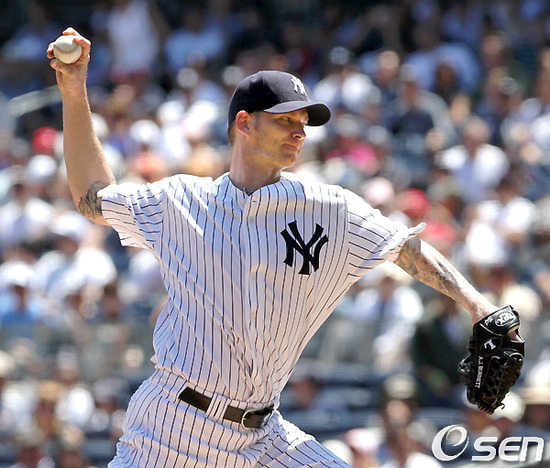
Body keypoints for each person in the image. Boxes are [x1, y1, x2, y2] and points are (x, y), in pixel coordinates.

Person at [48, 28, 516, 468]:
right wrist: (74, 91)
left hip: (263, 435)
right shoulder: (180, 201)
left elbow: (406, 249)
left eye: (303, 122)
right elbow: (93, 198)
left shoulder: (330, 208)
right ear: (244, 123)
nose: (300, 131)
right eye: (286, 120)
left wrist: (480, 306)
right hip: (172, 429)